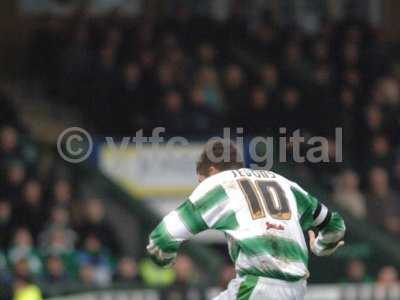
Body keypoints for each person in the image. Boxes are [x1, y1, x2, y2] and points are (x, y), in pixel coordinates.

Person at [147, 140, 346, 300]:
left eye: (201, 181)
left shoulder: (219, 183)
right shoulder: (284, 182)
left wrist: (165, 260)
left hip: (258, 287)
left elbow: (161, 239)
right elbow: (336, 225)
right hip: (297, 289)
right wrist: (321, 246)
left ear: (213, 170)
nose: (200, 187)